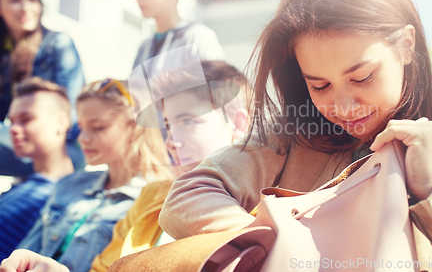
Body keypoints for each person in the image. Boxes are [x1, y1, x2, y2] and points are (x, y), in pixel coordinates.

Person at [158, 0, 432, 271]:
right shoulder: (290, 139)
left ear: (407, 45)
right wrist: (281, 245)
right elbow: (187, 196)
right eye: (319, 86)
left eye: (362, 77)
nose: (343, 106)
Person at [0, 60, 251, 272]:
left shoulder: (265, 212)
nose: (171, 139)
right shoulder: (152, 198)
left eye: (187, 122)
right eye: (168, 124)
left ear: (238, 125)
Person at [12, 79, 170, 272]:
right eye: (81, 127)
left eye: (97, 127)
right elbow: (26, 251)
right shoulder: (69, 185)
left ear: (135, 126)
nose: (82, 138)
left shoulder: (152, 203)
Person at [0, 0, 86, 176]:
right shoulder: (6, 54)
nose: (26, 8)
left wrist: (28, 131)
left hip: (63, 151)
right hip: (21, 146)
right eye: (15, 0)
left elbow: (73, 119)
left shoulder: (58, 44)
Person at [0, 77, 75, 261]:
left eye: (26, 119)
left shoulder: (69, 199)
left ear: (61, 123)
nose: (14, 129)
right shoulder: (25, 186)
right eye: (12, 121)